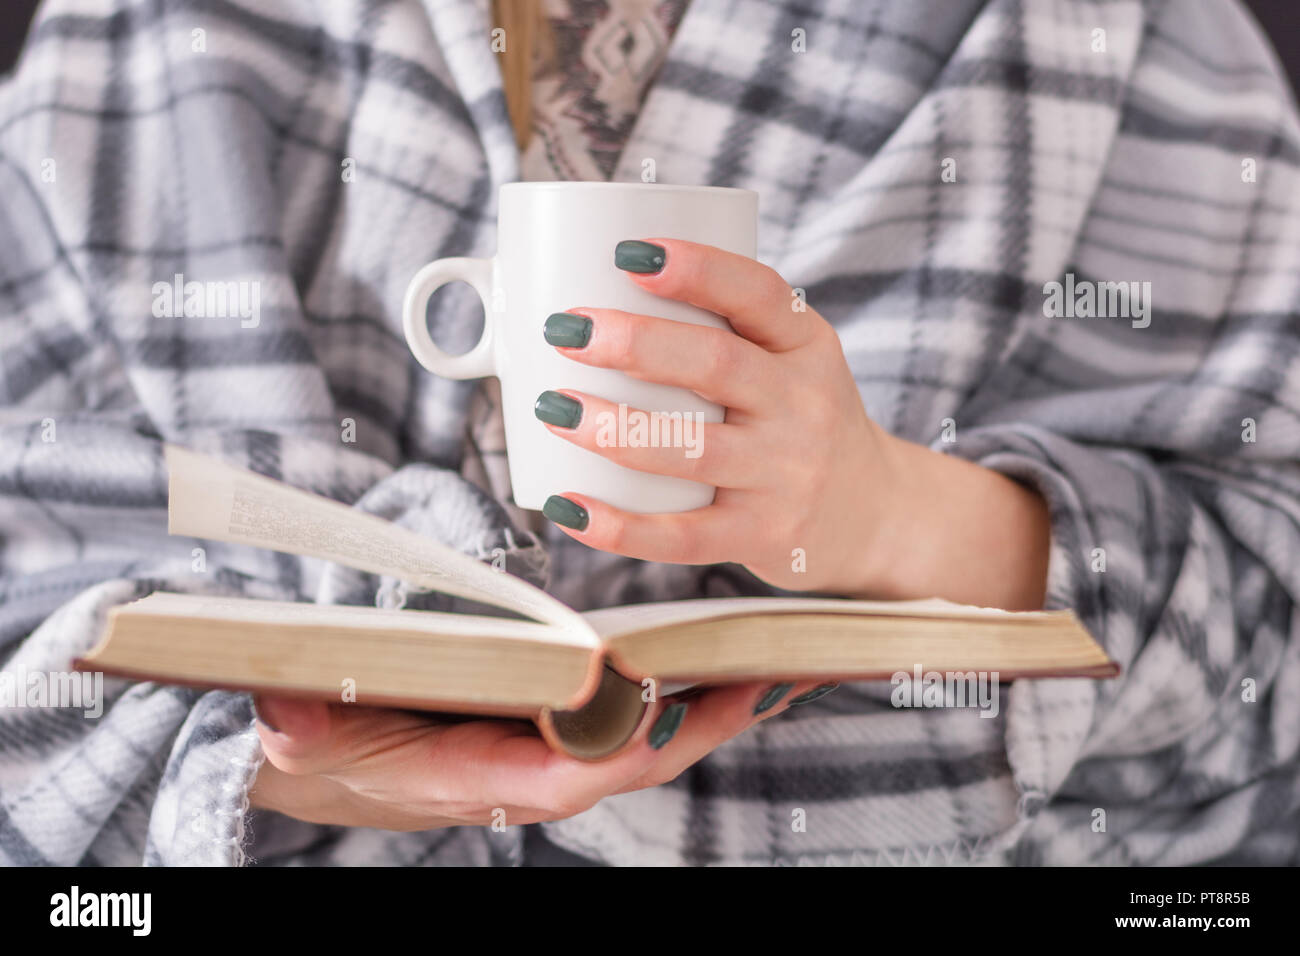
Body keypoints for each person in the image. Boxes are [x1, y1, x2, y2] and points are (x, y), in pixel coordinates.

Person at [1, 0, 1297, 867]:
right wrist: (273, 768)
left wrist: (889, 515)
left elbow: (1274, 646)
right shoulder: (147, 30)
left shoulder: (1102, 33)